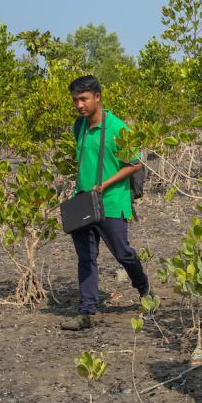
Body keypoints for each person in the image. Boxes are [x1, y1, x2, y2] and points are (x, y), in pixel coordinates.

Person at [61, 75, 149, 330]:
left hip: (110, 201)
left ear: (98, 97)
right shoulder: (79, 126)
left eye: (84, 99)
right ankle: (87, 311)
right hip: (83, 202)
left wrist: (105, 185)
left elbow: (135, 164)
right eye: (76, 100)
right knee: (86, 257)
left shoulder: (118, 129)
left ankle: (145, 290)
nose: (79, 105)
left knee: (123, 253)